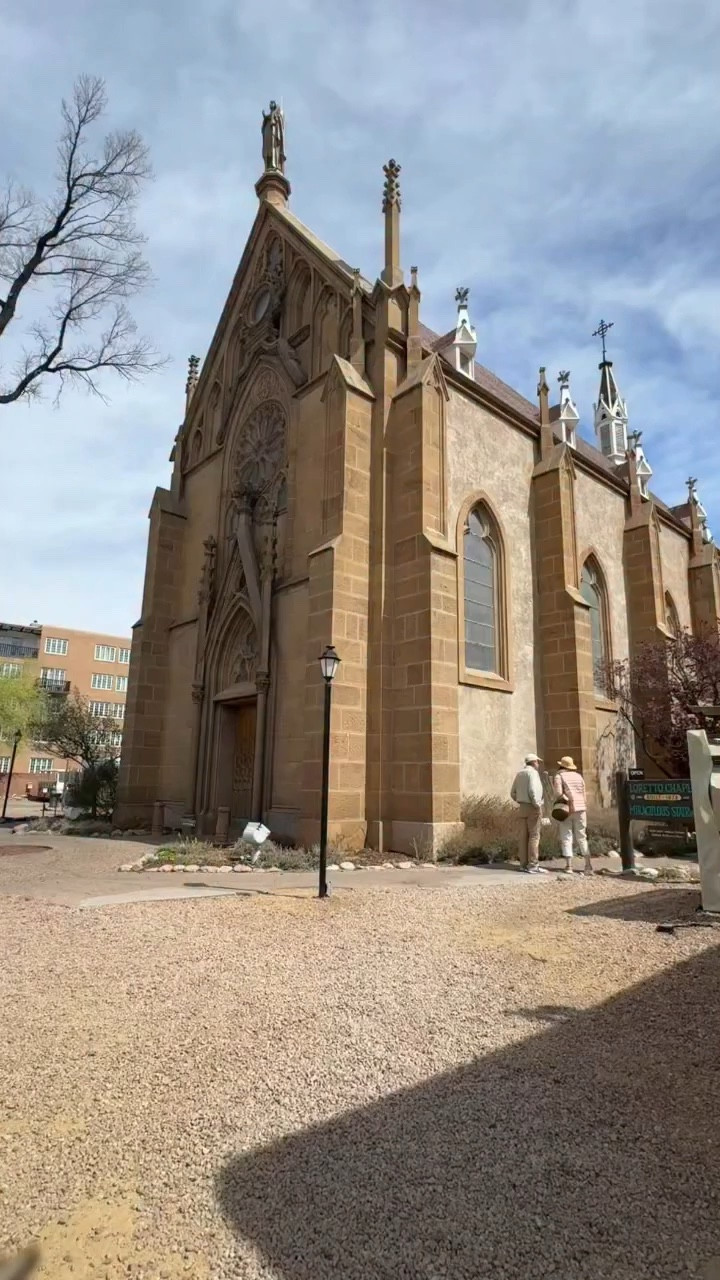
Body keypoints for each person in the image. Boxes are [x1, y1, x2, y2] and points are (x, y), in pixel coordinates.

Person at [553, 756, 593, 875]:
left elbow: (558, 793)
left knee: (566, 835)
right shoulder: (579, 776)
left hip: (567, 808)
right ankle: (588, 865)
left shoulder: (559, 776)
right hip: (581, 808)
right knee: (582, 836)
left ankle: (569, 865)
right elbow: (583, 794)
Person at [510, 753, 548, 875]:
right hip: (532, 806)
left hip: (522, 806)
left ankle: (523, 864)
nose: (538, 764)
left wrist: (520, 800)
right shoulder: (533, 773)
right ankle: (533, 865)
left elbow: (512, 792)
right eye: (537, 762)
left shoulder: (520, 773)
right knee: (534, 835)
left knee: (523, 836)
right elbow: (533, 790)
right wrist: (536, 804)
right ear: (534, 762)